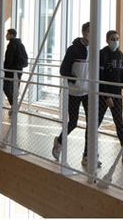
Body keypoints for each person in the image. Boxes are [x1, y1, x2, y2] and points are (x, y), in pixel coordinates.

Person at [52, 22, 96, 166]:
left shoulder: (95, 49)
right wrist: (75, 80)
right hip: (74, 92)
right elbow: (63, 69)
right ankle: (59, 141)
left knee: (91, 123)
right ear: (84, 33)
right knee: (73, 122)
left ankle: (87, 155)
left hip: (88, 92)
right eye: (90, 31)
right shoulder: (73, 49)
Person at [97, 30, 123, 162]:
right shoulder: (102, 54)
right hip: (104, 95)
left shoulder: (120, 55)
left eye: (117, 39)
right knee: (96, 122)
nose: (115, 41)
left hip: (117, 94)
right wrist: (106, 96)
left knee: (119, 122)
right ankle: (88, 151)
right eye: (113, 39)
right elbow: (100, 77)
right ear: (107, 40)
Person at [3, 29, 28, 115]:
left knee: (6, 87)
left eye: (7, 34)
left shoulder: (11, 45)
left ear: (11, 35)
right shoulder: (20, 44)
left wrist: (5, 68)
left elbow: (9, 59)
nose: (6, 35)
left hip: (10, 71)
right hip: (19, 71)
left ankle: (14, 105)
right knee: (14, 89)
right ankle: (13, 107)